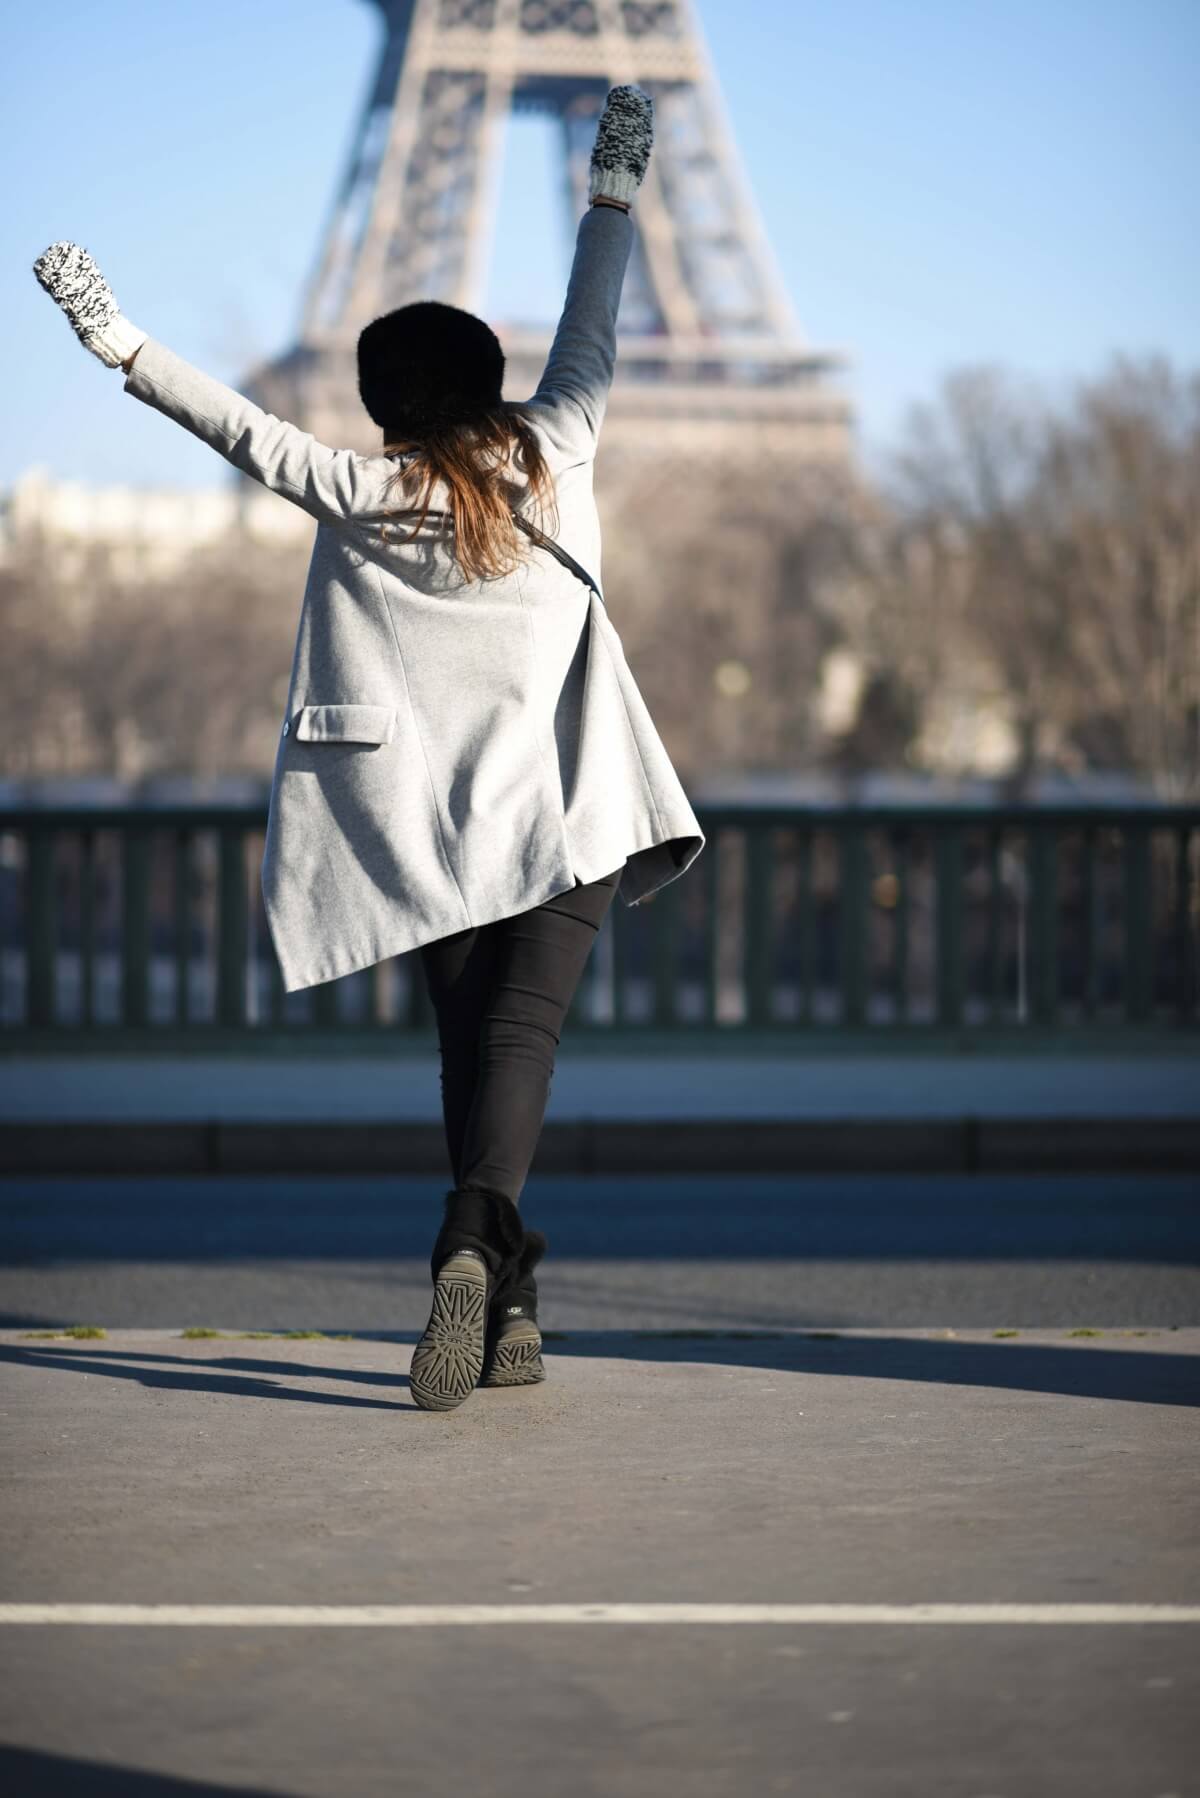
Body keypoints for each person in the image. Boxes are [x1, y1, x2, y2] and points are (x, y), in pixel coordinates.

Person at [33, 83, 705, 1413]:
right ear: (488, 384)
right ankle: (482, 1256)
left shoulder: (358, 489)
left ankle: (496, 1288)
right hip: (566, 804)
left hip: (424, 824)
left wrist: (116, 340)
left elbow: (236, 427)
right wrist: (611, 201)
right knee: (526, 1039)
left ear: (386, 408)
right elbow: (595, 327)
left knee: (470, 1050)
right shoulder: (560, 447)